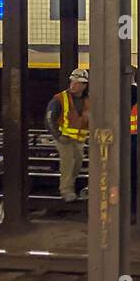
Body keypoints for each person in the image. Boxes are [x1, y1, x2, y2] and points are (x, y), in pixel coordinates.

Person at [46, 67, 90, 201]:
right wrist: (57, 135)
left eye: (77, 83)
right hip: (64, 138)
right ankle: (66, 191)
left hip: (79, 139)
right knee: (68, 162)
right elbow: (49, 118)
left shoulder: (88, 100)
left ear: (84, 85)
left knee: (77, 163)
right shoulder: (60, 98)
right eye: (72, 82)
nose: (73, 85)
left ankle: (70, 188)